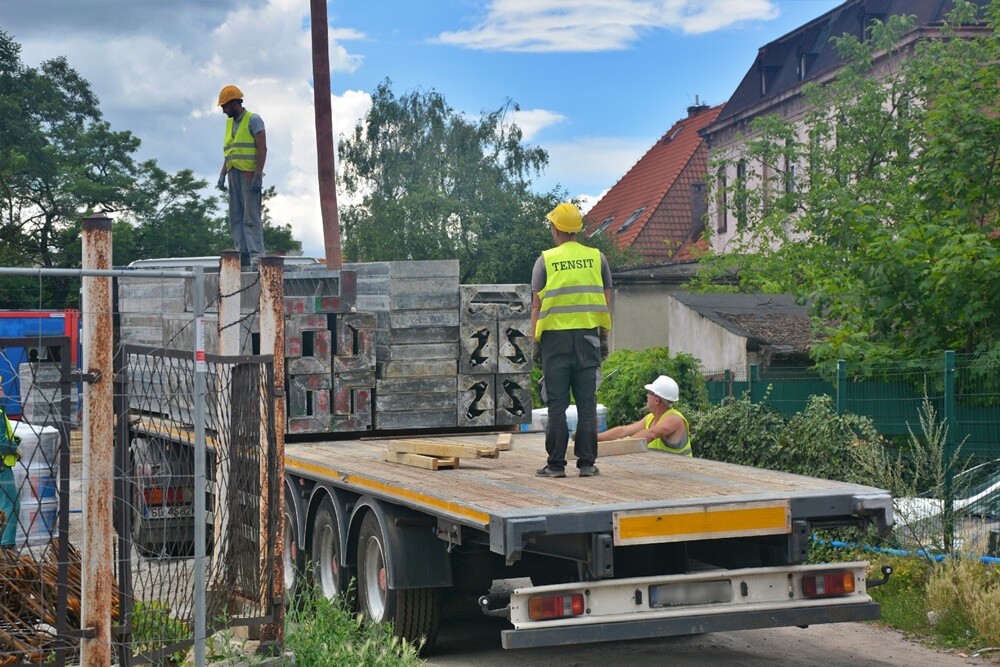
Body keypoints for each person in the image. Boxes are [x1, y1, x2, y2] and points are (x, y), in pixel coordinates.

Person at [530, 202, 612, 478]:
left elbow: (536, 306)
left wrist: (535, 342)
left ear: (555, 229)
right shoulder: (598, 258)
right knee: (587, 403)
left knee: (557, 404)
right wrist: (603, 337)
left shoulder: (545, 260)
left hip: (555, 340)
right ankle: (587, 464)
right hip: (588, 336)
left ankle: (555, 465)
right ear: (577, 230)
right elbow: (606, 298)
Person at [216, 84, 267, 268]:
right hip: (233, 175)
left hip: (248, 175)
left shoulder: (254, 120)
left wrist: (258, 175)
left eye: (224, 106)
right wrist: (223, 174)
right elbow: (231, 151)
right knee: (236, 217)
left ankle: (256, 256)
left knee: (251, 217)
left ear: (234, 103)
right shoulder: (230, 123)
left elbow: (262, 148)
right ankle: (242, 254)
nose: (223, 111)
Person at [598, 375, 692, 456]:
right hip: (663, 472)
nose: (647, 396)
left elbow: (652, 433)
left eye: (649, 393)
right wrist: (595, 437)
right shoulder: (651, 418)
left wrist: (622, 444)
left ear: (656, 400)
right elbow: (624, 431)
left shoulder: (674, 419)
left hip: (683, 474)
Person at [0, 376, 22, 549]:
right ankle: (7, 546)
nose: (1, 389)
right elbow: (1, 442)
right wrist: (15, 448)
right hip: (1, 468)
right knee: (12, 505)